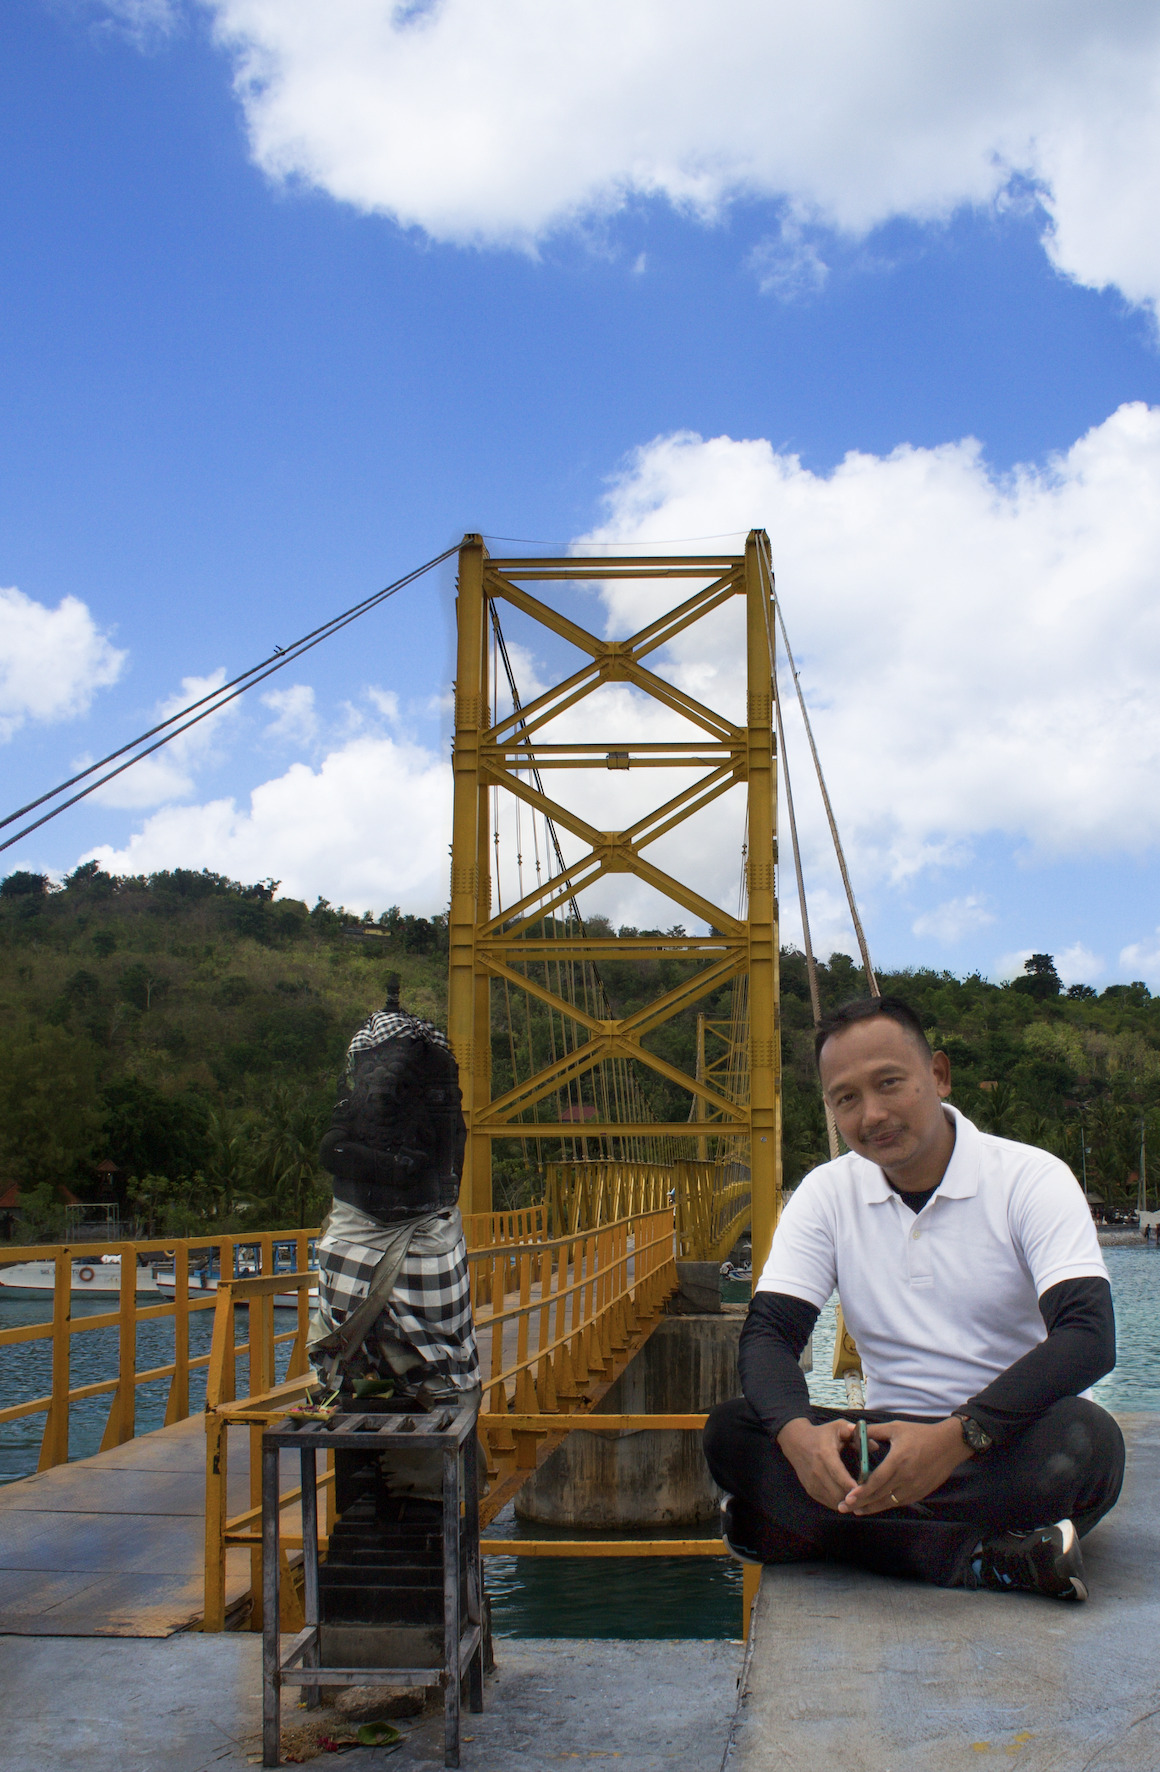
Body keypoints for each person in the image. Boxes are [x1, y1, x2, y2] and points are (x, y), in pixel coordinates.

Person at [704, 996, 1124, 1602]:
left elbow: (1088, 1336)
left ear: (939, 1075)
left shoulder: (1031, 1178)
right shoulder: (827, 1193)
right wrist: (800, 1438)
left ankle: (809, 1531)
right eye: (845, 1098)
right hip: (881, 1445)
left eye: (889, 1084)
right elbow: (769, 1334)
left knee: (1088, 1444)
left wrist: (957, 1439)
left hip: (999, 1443)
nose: (871, 1114)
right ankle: (973, 1557)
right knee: (731, 1430)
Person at [308, 976, 479, 1410]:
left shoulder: (376, 1108)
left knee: (341, 1299)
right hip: (427, 1245)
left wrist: (385, 1163)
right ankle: (436, 1378)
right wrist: (394, 1165)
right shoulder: (436, 1107)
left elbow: (336, 1152)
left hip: (364, 1240)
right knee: (440, 1314)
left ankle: (347, 1377)